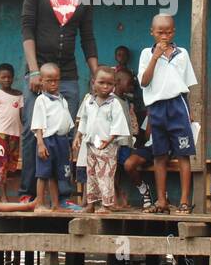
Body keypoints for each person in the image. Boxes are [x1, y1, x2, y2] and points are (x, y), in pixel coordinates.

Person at [19, 0, 99, 199]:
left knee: (66, 131)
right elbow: (27, 29)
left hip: (69, 74)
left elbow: (87, 38)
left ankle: (63, 193)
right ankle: (28, 191)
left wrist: (95, 73)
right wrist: (34, 72)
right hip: (39, 70)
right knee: (35, 131)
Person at [139, 13, 199, 214]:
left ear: (173, 32)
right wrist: (155, 57)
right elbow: (144, 81)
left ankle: (183, 201)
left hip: (178, 107)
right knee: (159, 155)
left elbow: (186, 86)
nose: (164, 36)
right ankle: (162, 200)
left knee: (183, 154)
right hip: (156, 108)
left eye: (167, 32)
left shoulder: (182, 54)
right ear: (152, 32)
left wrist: (189, 112)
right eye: (159, 32)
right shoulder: (146, 54)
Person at [73, 67, 132, 213]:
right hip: (91, 144)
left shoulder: (114, 103)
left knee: (105, 175)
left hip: (108, 146)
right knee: (91, 174)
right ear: (93, 83)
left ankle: (105, 205)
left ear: (114, 85)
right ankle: (91, 204)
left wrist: (109, 139)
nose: (105, 86)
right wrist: (78, 136)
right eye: (101, 82)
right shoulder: (89, 101)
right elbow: (84, 121)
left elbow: (118, 124)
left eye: (109, 84)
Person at [30, 62, 76, 211]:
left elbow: (67, 123)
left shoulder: (62, 99)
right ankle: (40, 204)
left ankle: (56, 205)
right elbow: (38, 125)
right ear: (41, 81)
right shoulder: (41, 100)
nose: (54, 84)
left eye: (56, 80)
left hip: (61, 140)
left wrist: (69, 145)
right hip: (47, 140)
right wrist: (40, 144)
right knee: (43, 173)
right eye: (49, 80)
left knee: (56, 174)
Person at [114, 67, 153, 209]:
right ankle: (115, 197)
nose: (131, 87)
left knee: (121, 168)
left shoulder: (126, 101)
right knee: (114, 171)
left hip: (126, 143)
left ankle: (119, 196)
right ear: (117, 82)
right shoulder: (112, 101)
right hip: (114, 143)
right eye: (129, 84)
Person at [0, 64, 23, 200]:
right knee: (1, 165)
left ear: (13, 78)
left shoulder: (19, 95)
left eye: (9, 77)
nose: (6, 80)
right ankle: (3, 196)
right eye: (3, 77)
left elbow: (22, 116)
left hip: (15, 134)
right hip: (0, 133)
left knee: (10, 166)